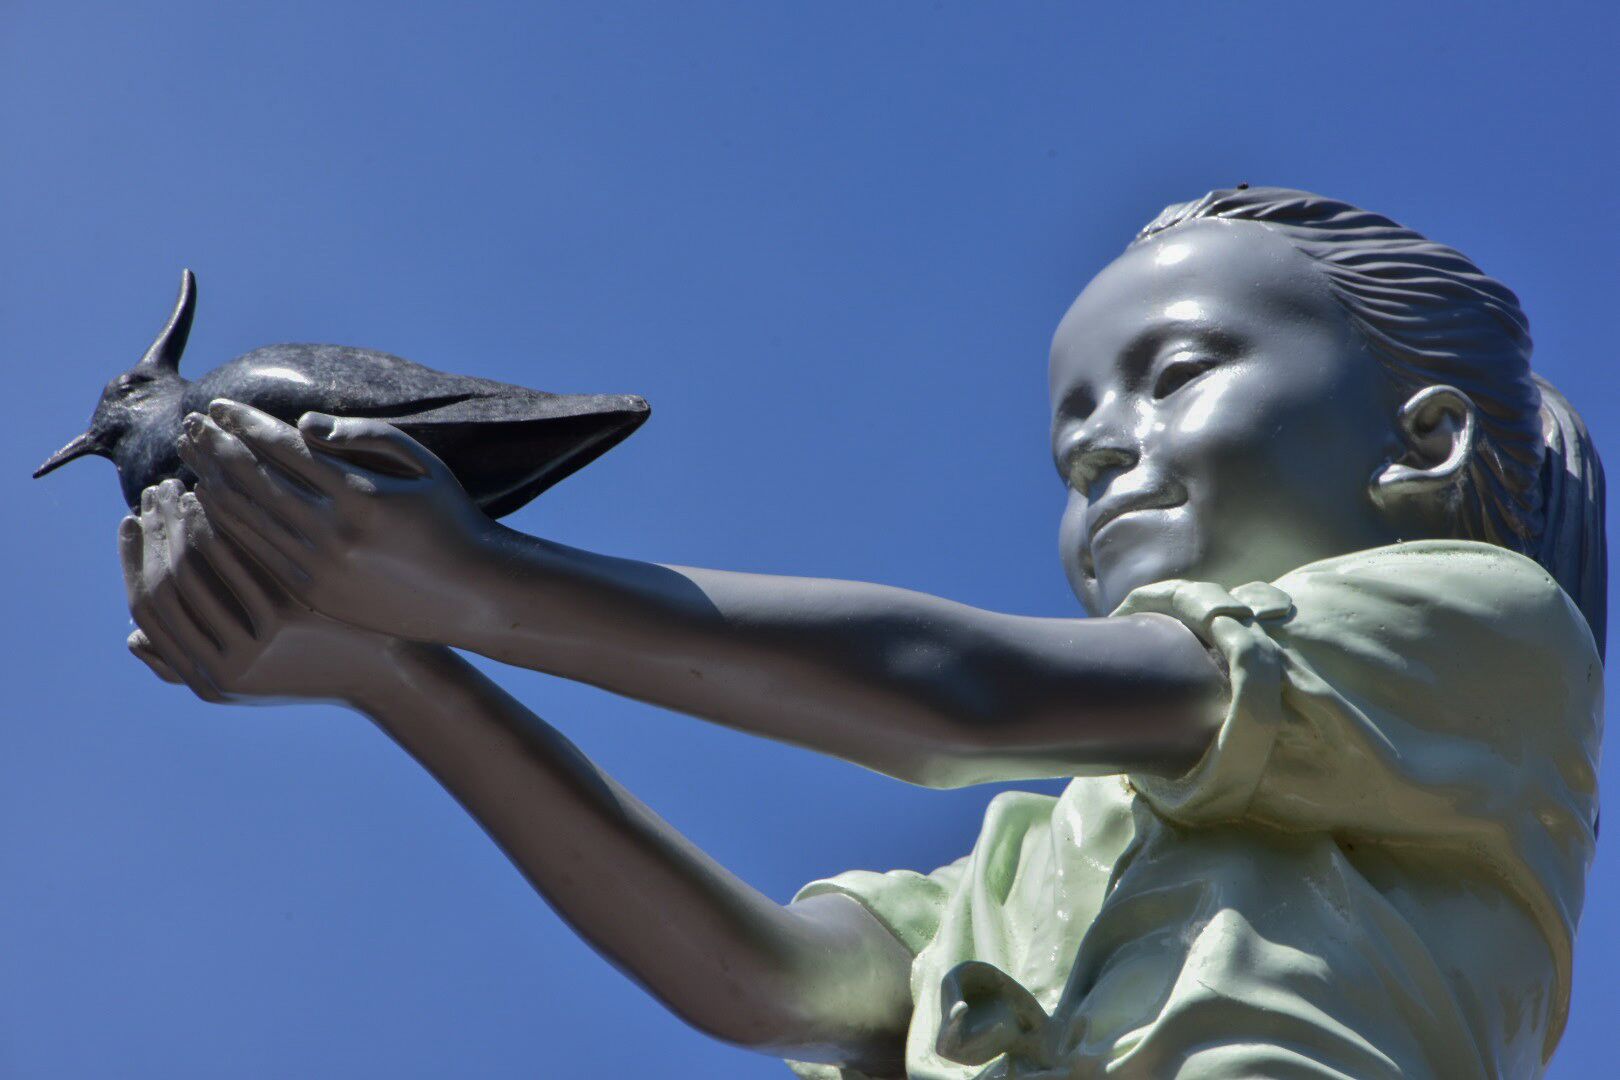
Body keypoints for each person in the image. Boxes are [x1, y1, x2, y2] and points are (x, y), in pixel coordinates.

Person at [121, 187, 1605, 1079]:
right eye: (1071, 427)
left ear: (1420, 443)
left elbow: (962, 697)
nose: (1102, 447)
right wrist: (394, 665)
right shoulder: (1038, 865)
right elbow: (762, 979)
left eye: (1176, 373)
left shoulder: (1485, 640)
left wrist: (471, 588)